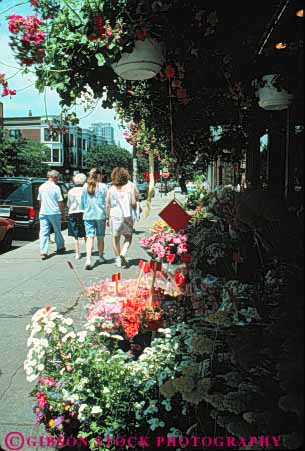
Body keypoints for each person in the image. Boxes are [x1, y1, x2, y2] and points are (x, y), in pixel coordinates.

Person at [106, 168, 137, 268]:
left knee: (116, 238)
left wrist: (107, 218)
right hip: (127, 216)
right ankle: (123, 253)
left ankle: (118, 260)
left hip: (114, 216)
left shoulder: (111, 189)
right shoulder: (131, 186)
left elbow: (107, 205)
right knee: (128, 236)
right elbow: (133, 202)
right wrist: (135, 208)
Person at [80, 168, 108, 270]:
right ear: (99, 175)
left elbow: (82, 202)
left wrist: (84, 209)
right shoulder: (104, 187)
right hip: (100, 215)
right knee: (100, 237)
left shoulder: (85, 186)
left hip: (88, 215)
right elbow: (107, 202)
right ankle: (100, 256)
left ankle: (88, 259)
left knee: (89, 237)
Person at [38, 170, 65, 260]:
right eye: (57, 178)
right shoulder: (56, 188)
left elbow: (40, 200)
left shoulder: (41, 187)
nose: (58, 179)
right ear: (54, 177)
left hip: (43, 211)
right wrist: (63, 213)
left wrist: (42, 208)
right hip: (54, 211)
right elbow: (60, 201)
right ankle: (60, 247)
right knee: (57, 230)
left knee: (44, 232)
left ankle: (43, 251)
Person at [67, 173, 87, 260]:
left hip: (73, 212)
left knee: (74, 233)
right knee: (86, 232)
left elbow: (69, 203)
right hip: (84, 212)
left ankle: (77, 253)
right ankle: (88, 250)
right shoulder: (86, 190)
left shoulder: (71, 191)